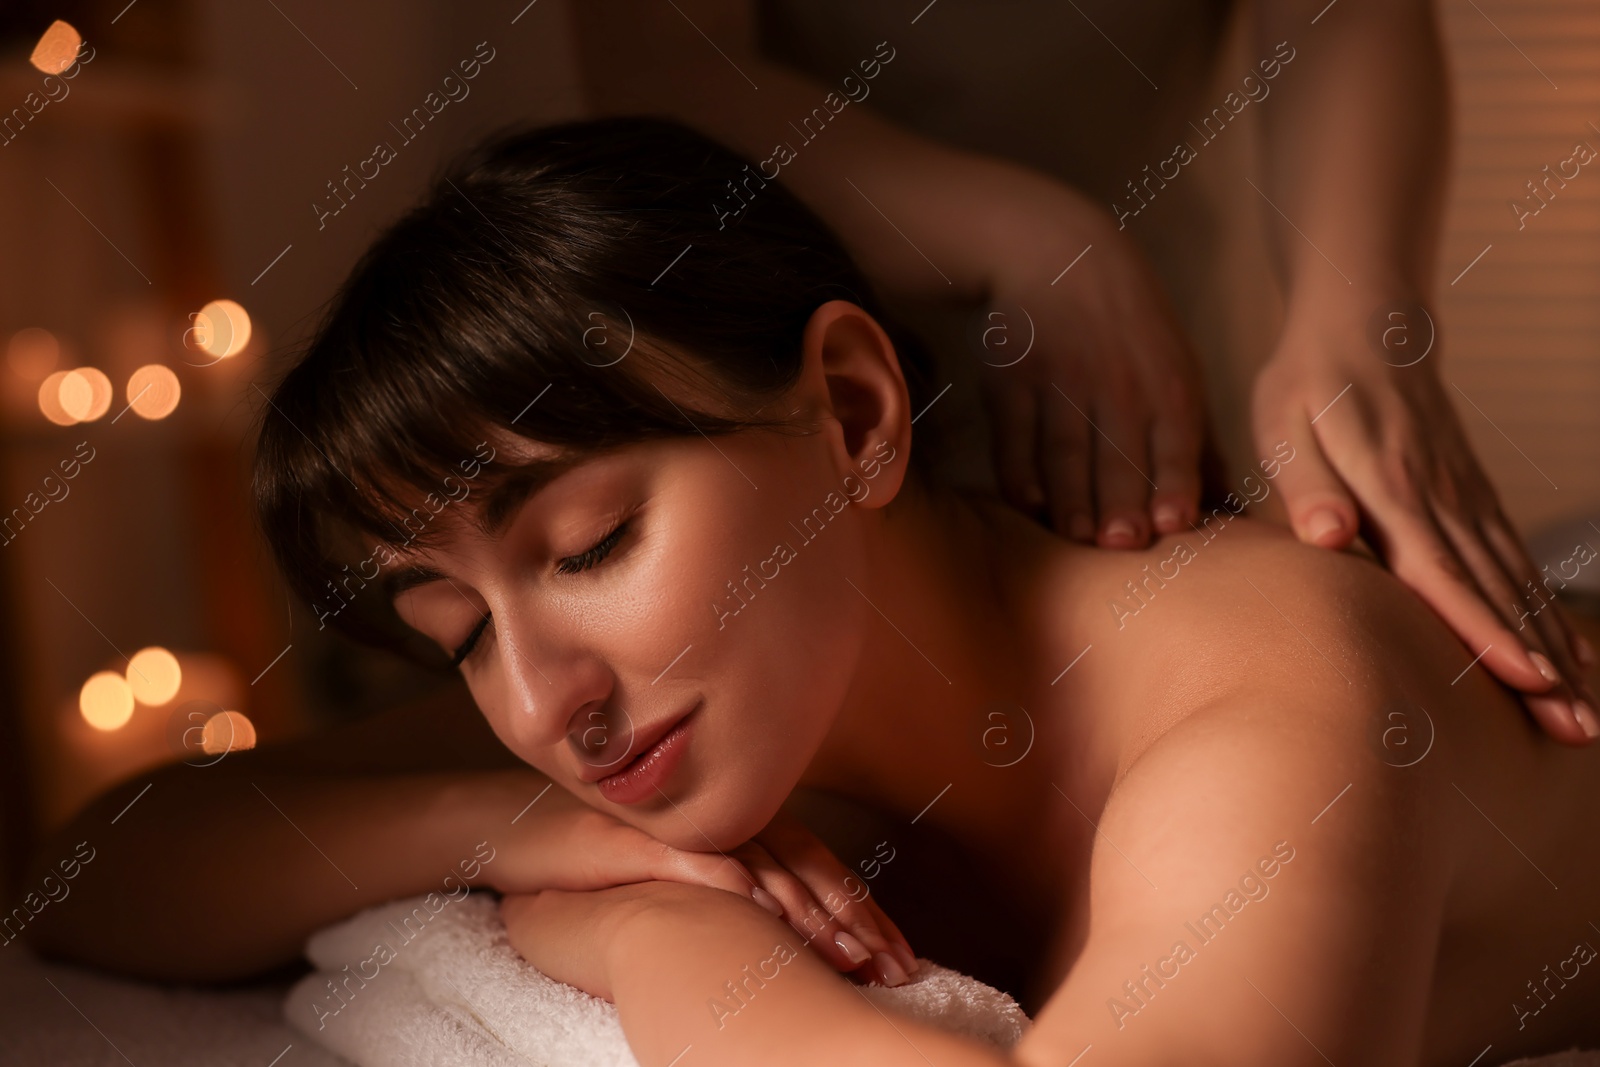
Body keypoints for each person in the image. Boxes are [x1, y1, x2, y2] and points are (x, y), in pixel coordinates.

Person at [25, 119, 1600, 1066]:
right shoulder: (686, 699)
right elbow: (98, 864)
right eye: (455, 630)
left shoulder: (1266, 700)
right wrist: (517, 833)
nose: (538, 701)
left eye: (588, 545)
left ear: (852, 413)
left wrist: (656, 945)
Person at [570, 0, 1598, 741]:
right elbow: (664, 64)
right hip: (782, 375)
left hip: (1171, 410)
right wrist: (1022, 237)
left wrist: (1363, 317)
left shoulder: (1256, 697)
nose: (543, 707)